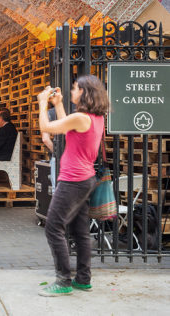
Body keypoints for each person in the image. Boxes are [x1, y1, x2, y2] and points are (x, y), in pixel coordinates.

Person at [37, 76, 108, 297]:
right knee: (80, 231)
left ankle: (63, 281)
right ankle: (83, 279)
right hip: (85, 178)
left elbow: (46, 127)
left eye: (75, 88)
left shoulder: (81, 117)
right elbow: (69, 130)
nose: (71, 91)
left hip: (73, 180)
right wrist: (57, 104)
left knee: (53, 227)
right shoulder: (94, 118)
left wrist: (42, 102)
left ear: (85, 93)